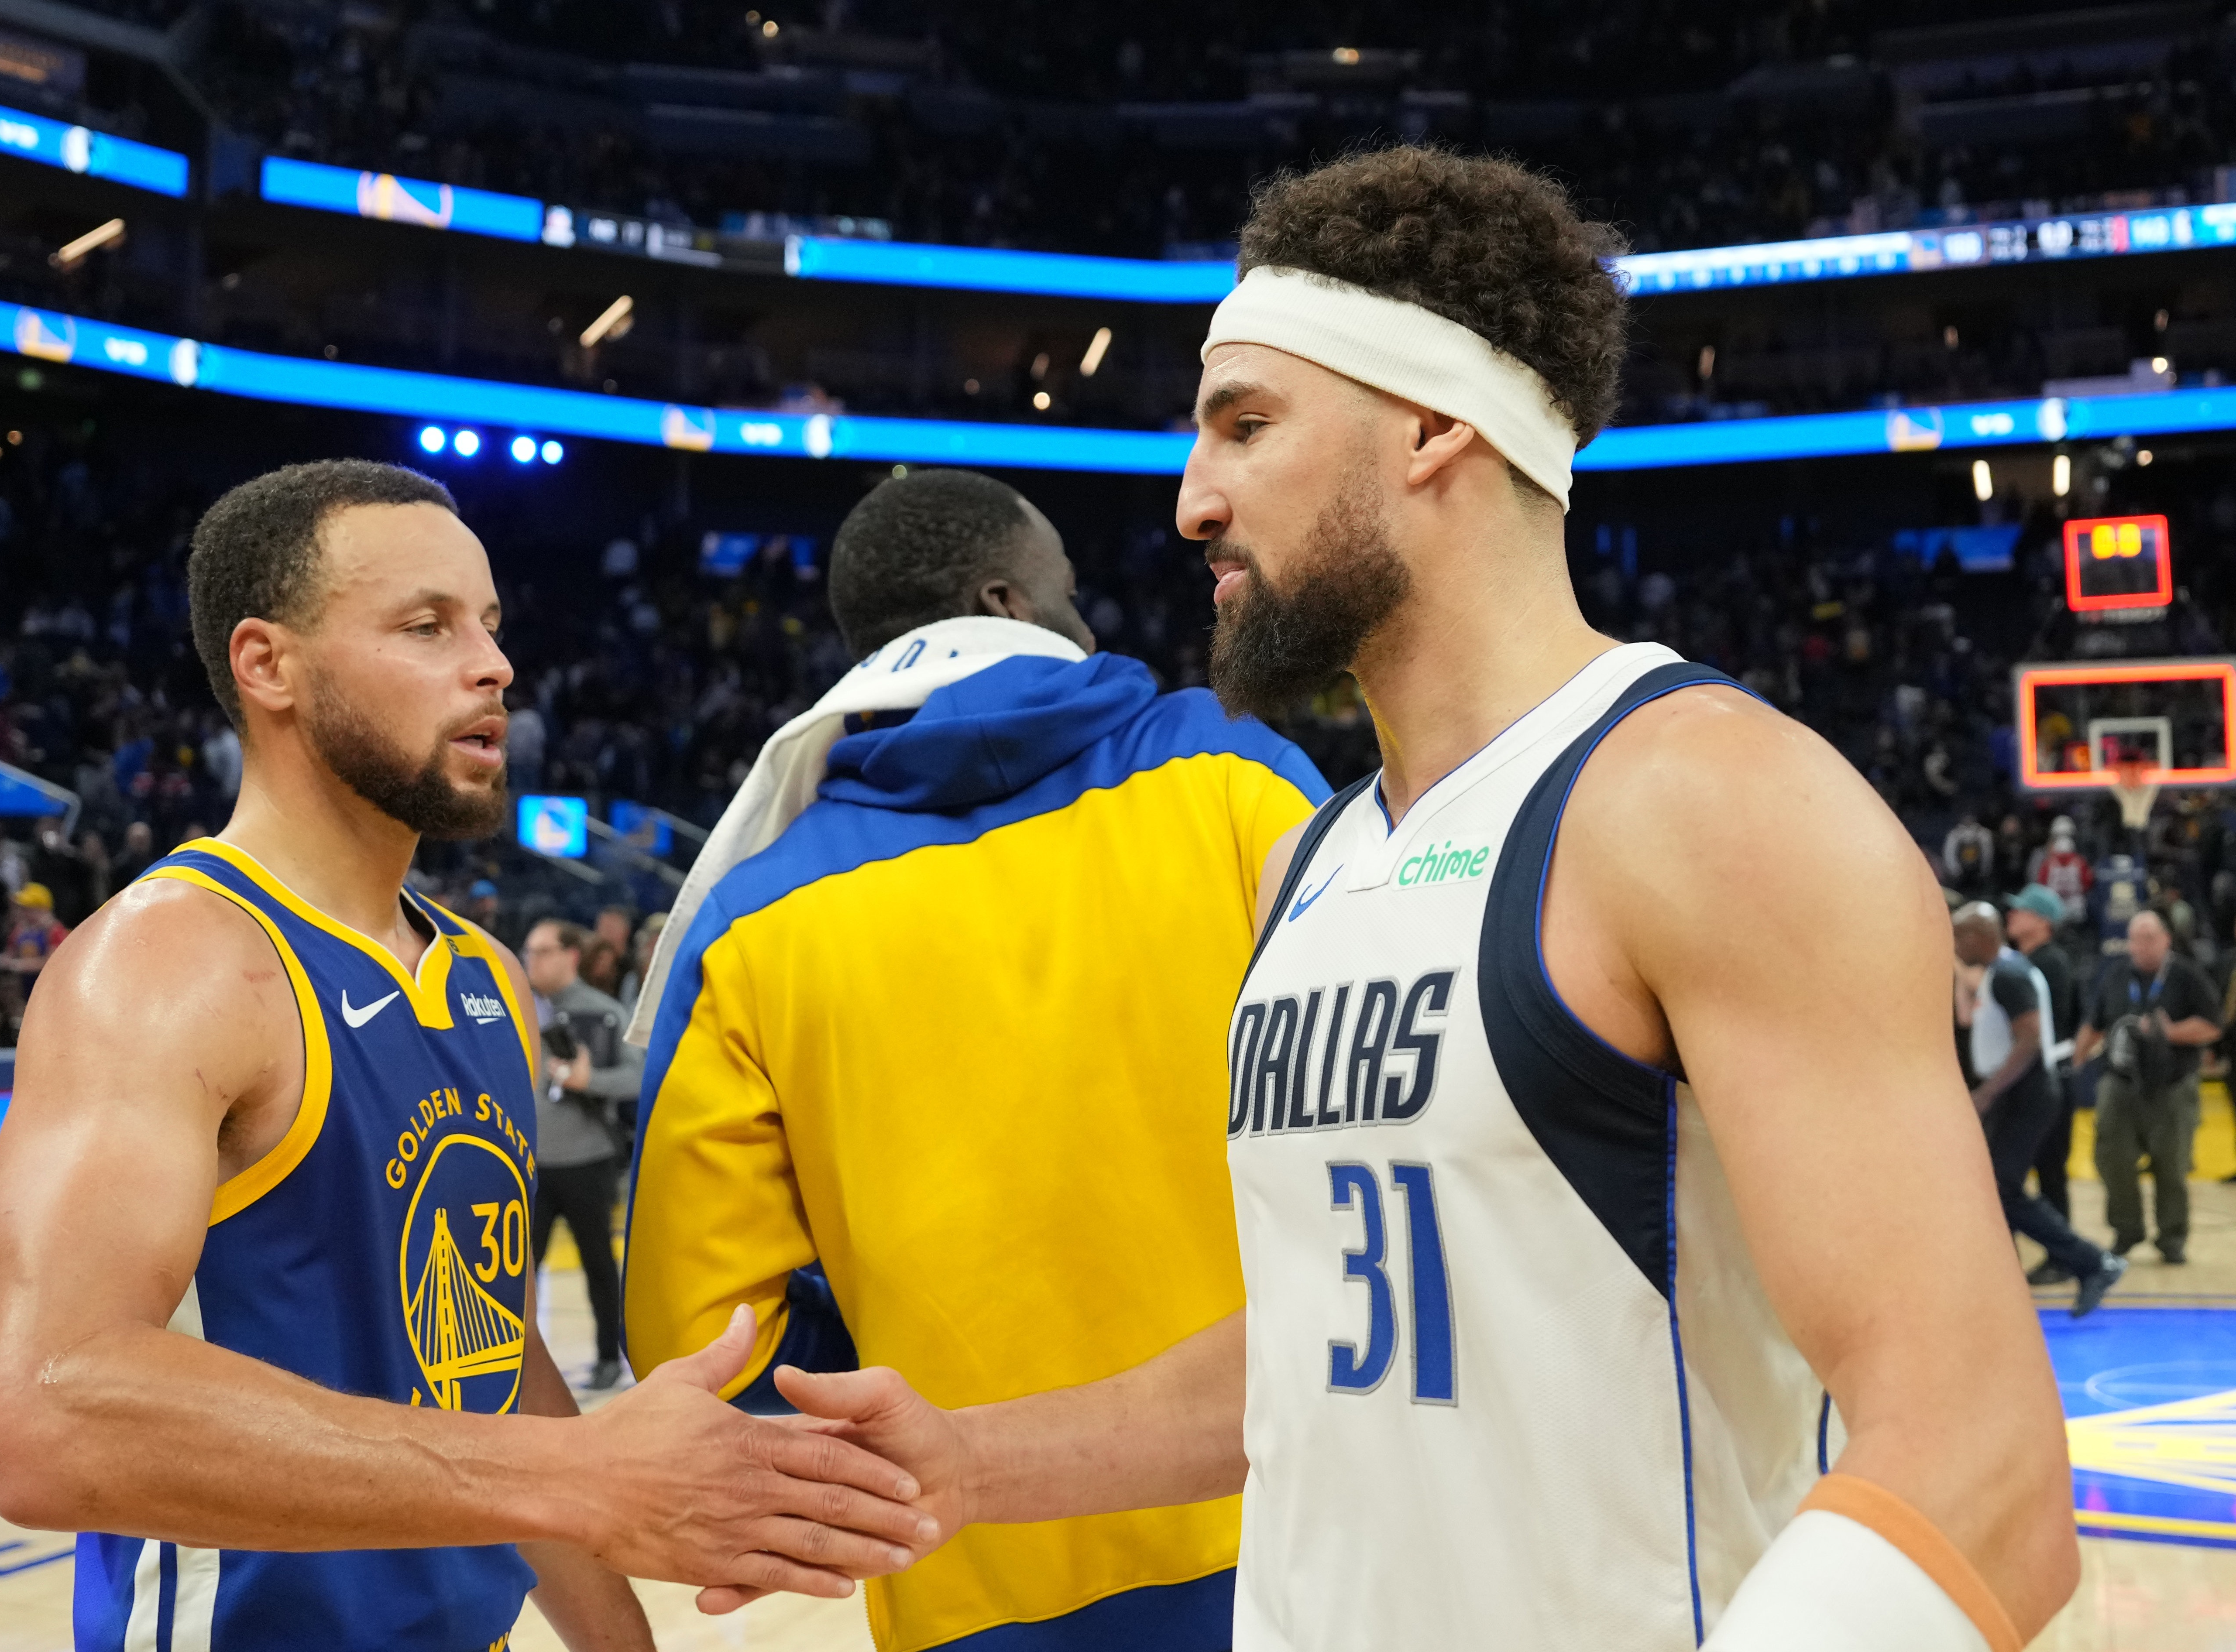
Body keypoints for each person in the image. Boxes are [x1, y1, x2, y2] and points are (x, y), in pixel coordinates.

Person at [728, 149, 2084, 1652]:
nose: (1191, 501)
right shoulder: (1313, 860)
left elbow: (1982, 1469)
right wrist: (977, 1461)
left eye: (1246, 424)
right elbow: (1337, 1343)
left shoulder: (1699, 803)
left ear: (1435, 424)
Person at [0, 459, 935, 1652]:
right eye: (427, 626)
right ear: (267, 665)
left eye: (489, 622)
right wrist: (576, 1469)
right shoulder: (169, 966)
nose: (494, 665)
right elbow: (49, 1414)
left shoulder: (485, 976)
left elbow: (491, 1353)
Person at [626, 465, 1329, 1652]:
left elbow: (702, 1345)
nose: (1087, 619)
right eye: (1069, 589)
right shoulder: (1232, 772)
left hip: (971, 1559)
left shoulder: (750, 918)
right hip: (1299, 1519)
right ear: (1007, 600)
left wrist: (895, 1347)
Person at [1952, 904, 2122, 1308]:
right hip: (2019, 1093)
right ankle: (2002, 1277)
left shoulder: (2009, 976)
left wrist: (1987, 1093)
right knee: (1993, 1188)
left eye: (1959, 937)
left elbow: (2029, 1039)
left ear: (1979, 936)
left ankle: (2092, 1262)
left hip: (2024, 1094)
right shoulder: (2003, 970)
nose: (1954, 945)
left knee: (2003, 1187)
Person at [522, 919, 640, 1392]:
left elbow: (638, 1077)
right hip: (531, 1163)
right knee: (519, 1273)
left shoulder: (605, 1013)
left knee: (598, 1265)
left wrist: (590, 1082)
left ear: (571, 955)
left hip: (587, 1160)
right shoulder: (511, 1006)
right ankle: (515, 1364)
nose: (531, 961)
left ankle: (610, 1357)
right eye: (529, 952)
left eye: (543, 951)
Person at [2075, 908, 2221, 1264]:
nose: (2141, 946)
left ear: (2165, 940)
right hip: (2120, 1082)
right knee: (2112, 1159)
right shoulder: (2116, 975)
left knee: (2171, 1164)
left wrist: (2169, 1033)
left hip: (2171, 1085)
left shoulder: (2186, 976)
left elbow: (2213, 1027)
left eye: (2149, 938)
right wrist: (2075, 1063)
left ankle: (2171, 1238)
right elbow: (2094, 1024)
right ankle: (2126, 1231)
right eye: (2135, 939)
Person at [2004, 884, 2079, 1245]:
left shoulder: (2049, 964)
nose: (2011, 915)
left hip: (2047, 1075)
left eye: (2021, 911)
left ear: (2042, 922)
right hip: (2034, 1075)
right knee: (2024, 1171)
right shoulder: (2026, 962)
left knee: (2049, 1169)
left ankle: (2063, 1254)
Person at [2027, 817, 2090, 923]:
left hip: (2063, 904)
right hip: (2065, 904)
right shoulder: (2079, 862)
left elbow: (2041, 882)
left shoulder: (2050, 863)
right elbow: (2087, 883)